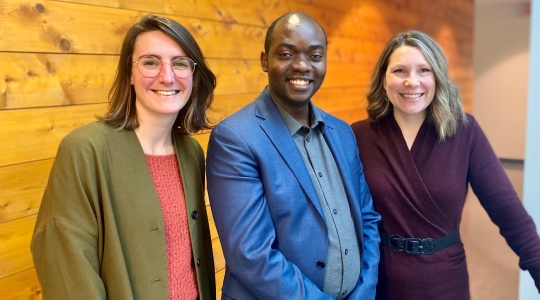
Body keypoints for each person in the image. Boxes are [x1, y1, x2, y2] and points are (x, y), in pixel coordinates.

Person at [31, 14, 216, 300]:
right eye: (151, 62)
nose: (167, 76)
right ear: (129, 73)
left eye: (180, 63)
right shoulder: (84, 150)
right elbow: (65, 262)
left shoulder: (193, 153)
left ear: (193, 74)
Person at [351, 30, 540, 299]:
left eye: (424, 70)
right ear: (383, 78)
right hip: (380, 280)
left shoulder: (465, 132)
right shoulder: (359, 136)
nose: (411, 82)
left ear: (437, 78)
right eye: (400, 71)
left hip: (445, 280)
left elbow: (509, 214)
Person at [206, 12, 381, 300]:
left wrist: (365, 289)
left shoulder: (342, 133)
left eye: (314, 55)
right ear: (265, 60)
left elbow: (367, 218)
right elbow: (250, 254)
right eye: (287, 53)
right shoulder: (236, 138)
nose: (302, 66)